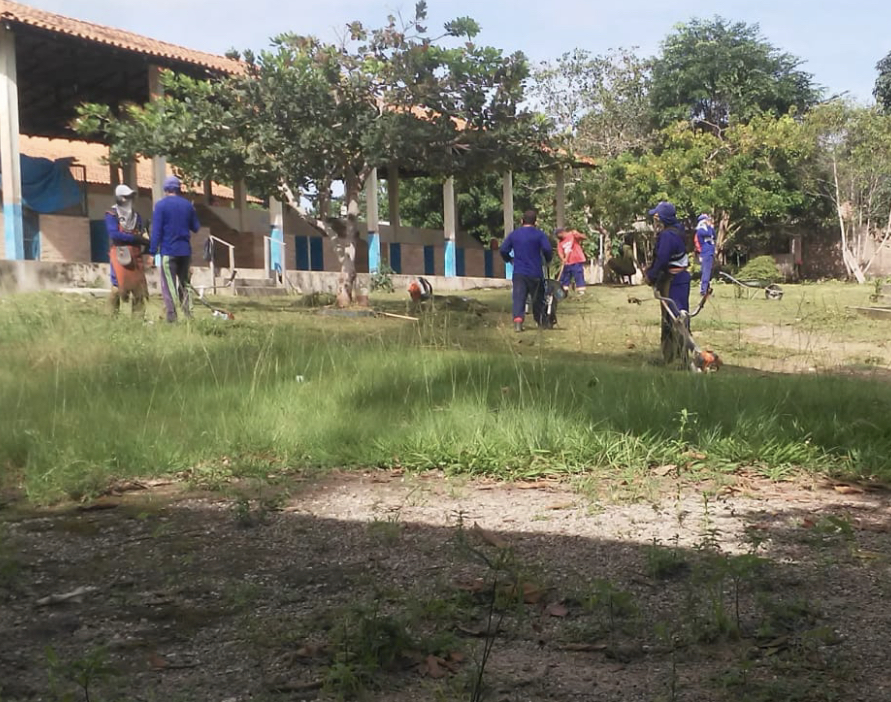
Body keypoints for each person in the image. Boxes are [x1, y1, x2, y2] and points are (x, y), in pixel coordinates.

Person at [645, 201, 691, 365]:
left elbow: (662, 259)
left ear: (662, 217)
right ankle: (681, 356)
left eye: (657, 216)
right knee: (681, 316)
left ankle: (673, 358)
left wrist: (651, 275)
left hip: (672, 280)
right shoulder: (679, 230)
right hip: (682, 279)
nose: (655, 219)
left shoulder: (667, 236)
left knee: (672, 318)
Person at [150, 176, 200, 322]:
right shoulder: (188, 206)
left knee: (168, 285)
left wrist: (152, 251)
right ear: (179, 189)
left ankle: (172, 317)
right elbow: (196, 228)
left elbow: (156, 231)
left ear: (166, 190)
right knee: (185, 284)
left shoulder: (161, 206)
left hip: (169, 251)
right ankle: (189, 315)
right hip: (185, 252)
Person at [499, 210, 553, 332]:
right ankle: (541, 322)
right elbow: (547, 249)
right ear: (536, 222)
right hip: (535, 272)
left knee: (519, 297)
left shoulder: (514, 235)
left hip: (519, 272)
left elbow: (503, 249)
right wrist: (548, 260)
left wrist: (509, 259)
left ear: (522, 221)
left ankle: (518, 322)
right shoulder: (539, 235)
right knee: (537, 298)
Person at [106, 184, 149, 316]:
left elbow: (142, 233)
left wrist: (145, 240)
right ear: (119, 198)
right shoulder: (112, 215)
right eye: (126, 197)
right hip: (120, 253)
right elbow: (114, 234)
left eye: (131, 197)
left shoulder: (137, 217)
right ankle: (112, 318)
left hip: (135, 254)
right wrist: (134, 238)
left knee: (139, 289)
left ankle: (138, 320)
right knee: (117, 287)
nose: (129, 199)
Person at [555, 228, 587, 295]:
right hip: (567, 263)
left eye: (558, 235)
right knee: (565, 277)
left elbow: (584, 237)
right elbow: (560, 252)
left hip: (577, 260)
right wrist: (563, 258)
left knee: (578, 275)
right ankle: (564, 292)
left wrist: (577, 233)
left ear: (562, 232)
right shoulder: (560, 242)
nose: (557, 237)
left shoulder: (572, 235)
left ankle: (581, 291)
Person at [694, 213, 716, 296]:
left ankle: (707, 289)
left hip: (710, 252)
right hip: (706, 252)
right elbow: (709, 234)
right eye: (707, 220)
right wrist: (710, 226)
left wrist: (711, 227)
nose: (709, 221)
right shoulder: (701, 231)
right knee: (706, 272)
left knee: (708, 271)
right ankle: (703, 290)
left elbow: (714, 235)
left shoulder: (707, 229)